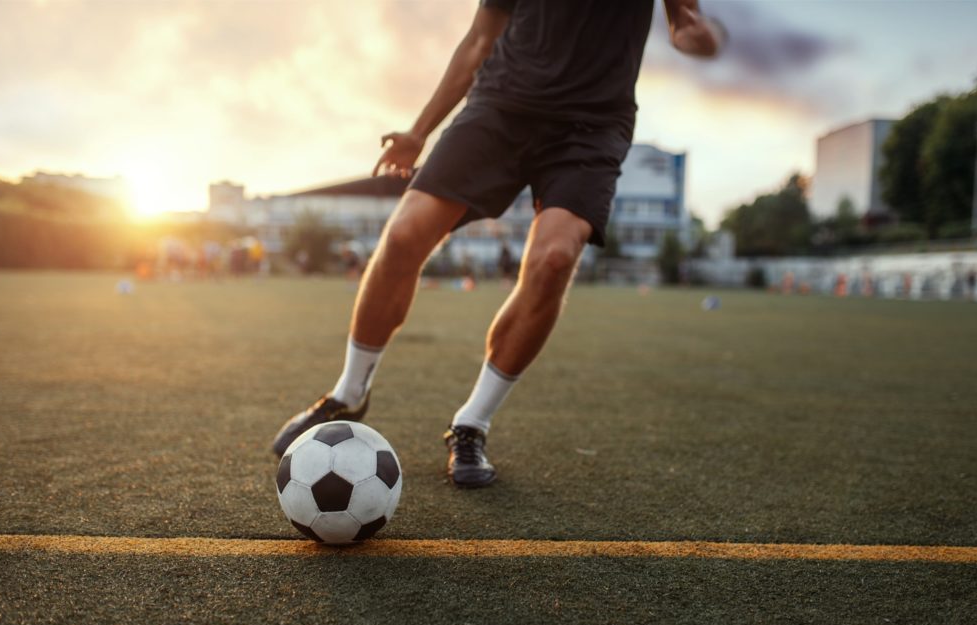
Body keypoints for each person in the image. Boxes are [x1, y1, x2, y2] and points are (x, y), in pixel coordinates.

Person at [273, 0, 724, 487]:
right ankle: (348, 392)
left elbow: (684, 22)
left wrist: (697, 37)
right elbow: (479, 41)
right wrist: (418, 132)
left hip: (590, 127)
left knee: (553, 260)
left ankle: (471, 424)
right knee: (404, 236)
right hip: (501, 107)